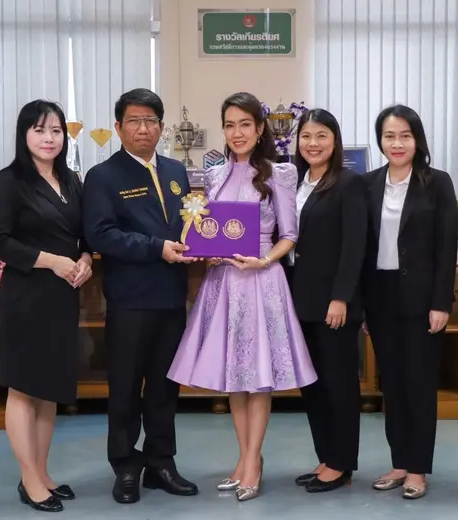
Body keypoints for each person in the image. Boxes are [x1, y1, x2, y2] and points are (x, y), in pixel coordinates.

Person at [167, 92, 317, 502]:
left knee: (258, 378)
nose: (237, 133)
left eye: (245, 125)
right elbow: (209, 230)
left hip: (261, 281)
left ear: (259, 128)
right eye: (230, 125)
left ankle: (253, 460)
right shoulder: (213, 175)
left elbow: (289, 235)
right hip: (222, 284)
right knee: (235, 377)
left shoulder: (280, 174)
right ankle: (243, 458)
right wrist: (205, 252)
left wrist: (264, 259)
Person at [81, 88, 198, 505]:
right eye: (134, 121)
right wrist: (157, 248)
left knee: (166, 388)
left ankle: (161, 462)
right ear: (118, 128)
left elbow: (189, 225)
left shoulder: (175, 171)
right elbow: (101, 234)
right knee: (126, 388)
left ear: (162, 128)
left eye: (151, 121)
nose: (143, 128)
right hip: (130, 300)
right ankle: (126, 466)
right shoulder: (103, 176)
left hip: (171, 298)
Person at [0, 100, 93, 513]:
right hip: (26, 294)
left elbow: (85, 237)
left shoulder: (72, 180)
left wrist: (84, 260)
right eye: (39, 130)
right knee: (24, 386)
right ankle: (28, 478)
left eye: (56, 131)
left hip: (63, 297)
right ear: (24, 135)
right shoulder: (9, 180)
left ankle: (43, 472)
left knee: (49, 389)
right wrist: (54, 261)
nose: (49, 139)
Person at [361, 104, 458, 499]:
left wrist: (441, 302)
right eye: (389, 136)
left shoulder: (436, 183)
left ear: (417, 139)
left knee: (418, 384)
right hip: (380, 296)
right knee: (393, 385)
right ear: (380, 140)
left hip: (422, 300)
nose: (396, 143)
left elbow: (446, 247)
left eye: (404, 135)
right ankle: (399, 461)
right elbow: (361, 247)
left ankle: (418, 468)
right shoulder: (366, 183)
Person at [288, 109, 367, 493]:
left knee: (339, 385)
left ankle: (342, 462)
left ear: (334, 141)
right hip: (298, 301)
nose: (313, 143)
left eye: (321, 136)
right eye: (306, 136)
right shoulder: (296, 183)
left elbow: (355, 247)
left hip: (333, 303)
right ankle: (325, 458)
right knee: (313, 385)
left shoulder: (349, 184)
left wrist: (341, 298)